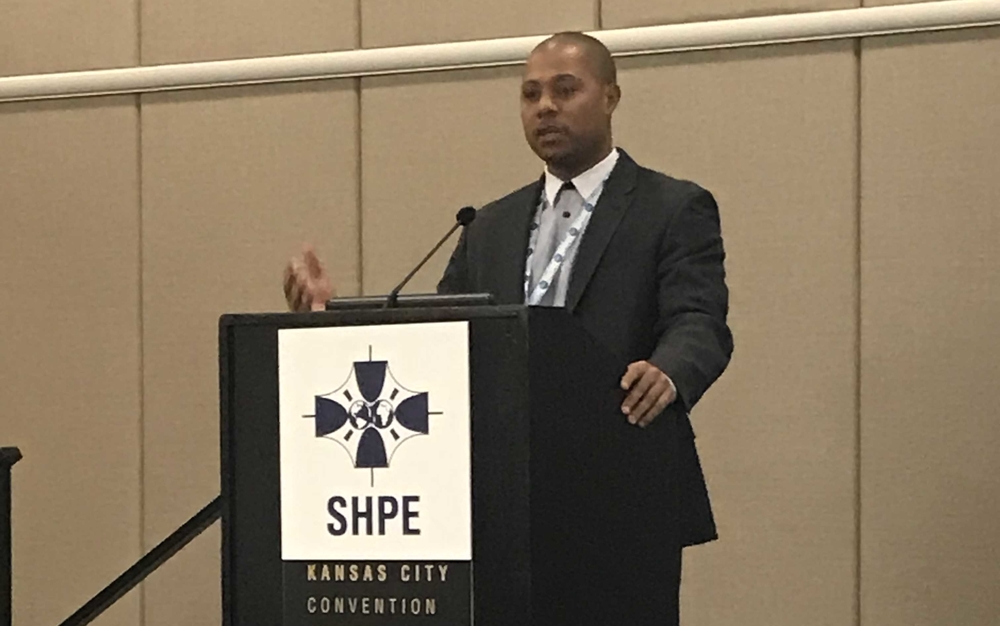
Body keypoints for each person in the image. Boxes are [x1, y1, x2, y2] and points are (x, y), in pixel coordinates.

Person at [284, 31, 733, 626]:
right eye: (530, 94)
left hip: (621, 482)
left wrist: (669, 370)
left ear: (610, 97)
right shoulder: (489, 224)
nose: (545, 106)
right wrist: (332, 317)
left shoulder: (671, 206)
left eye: (565, 90)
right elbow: (436, 334)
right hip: (503, 492)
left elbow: (699, 319)